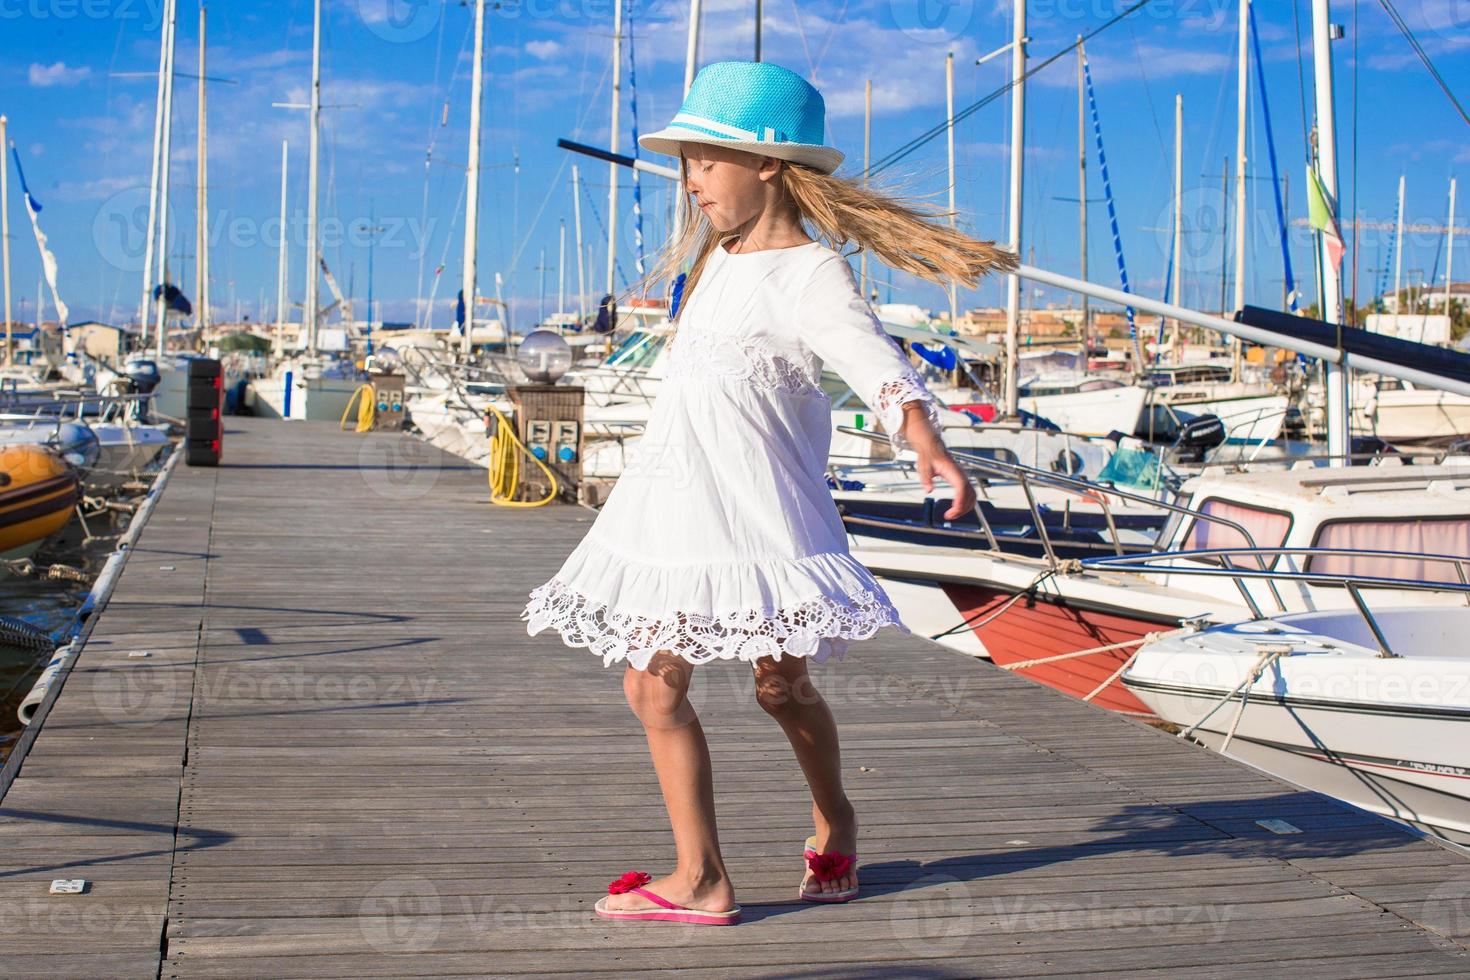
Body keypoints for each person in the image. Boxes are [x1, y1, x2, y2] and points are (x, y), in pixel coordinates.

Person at [521, 60, 1016, 926]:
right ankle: (702, 876)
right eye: (687, 160)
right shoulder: (715, 259)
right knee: (651, 687)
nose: (690, 178)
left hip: (764, 516)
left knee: (780, 688)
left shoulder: (811, 274)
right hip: (674, 508)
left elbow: (874, 362)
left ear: (770, 166)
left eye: (707, 160)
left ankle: (837, 820)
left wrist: (923, 435)